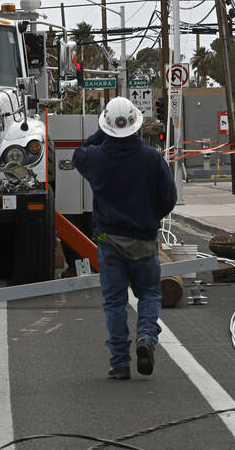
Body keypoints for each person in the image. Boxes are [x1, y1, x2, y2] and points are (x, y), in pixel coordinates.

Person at [73, 96, 177, 380]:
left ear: (106, 127)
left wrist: (102, 131)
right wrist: (150, 218)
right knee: (151, 294)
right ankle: (146, 336)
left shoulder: (96, 158)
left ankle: (119, 363)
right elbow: (170, 198)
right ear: (136, 126)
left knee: (115, 302)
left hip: (109, 240)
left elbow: (79, 153)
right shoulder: (152, 158)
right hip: (143, 239)